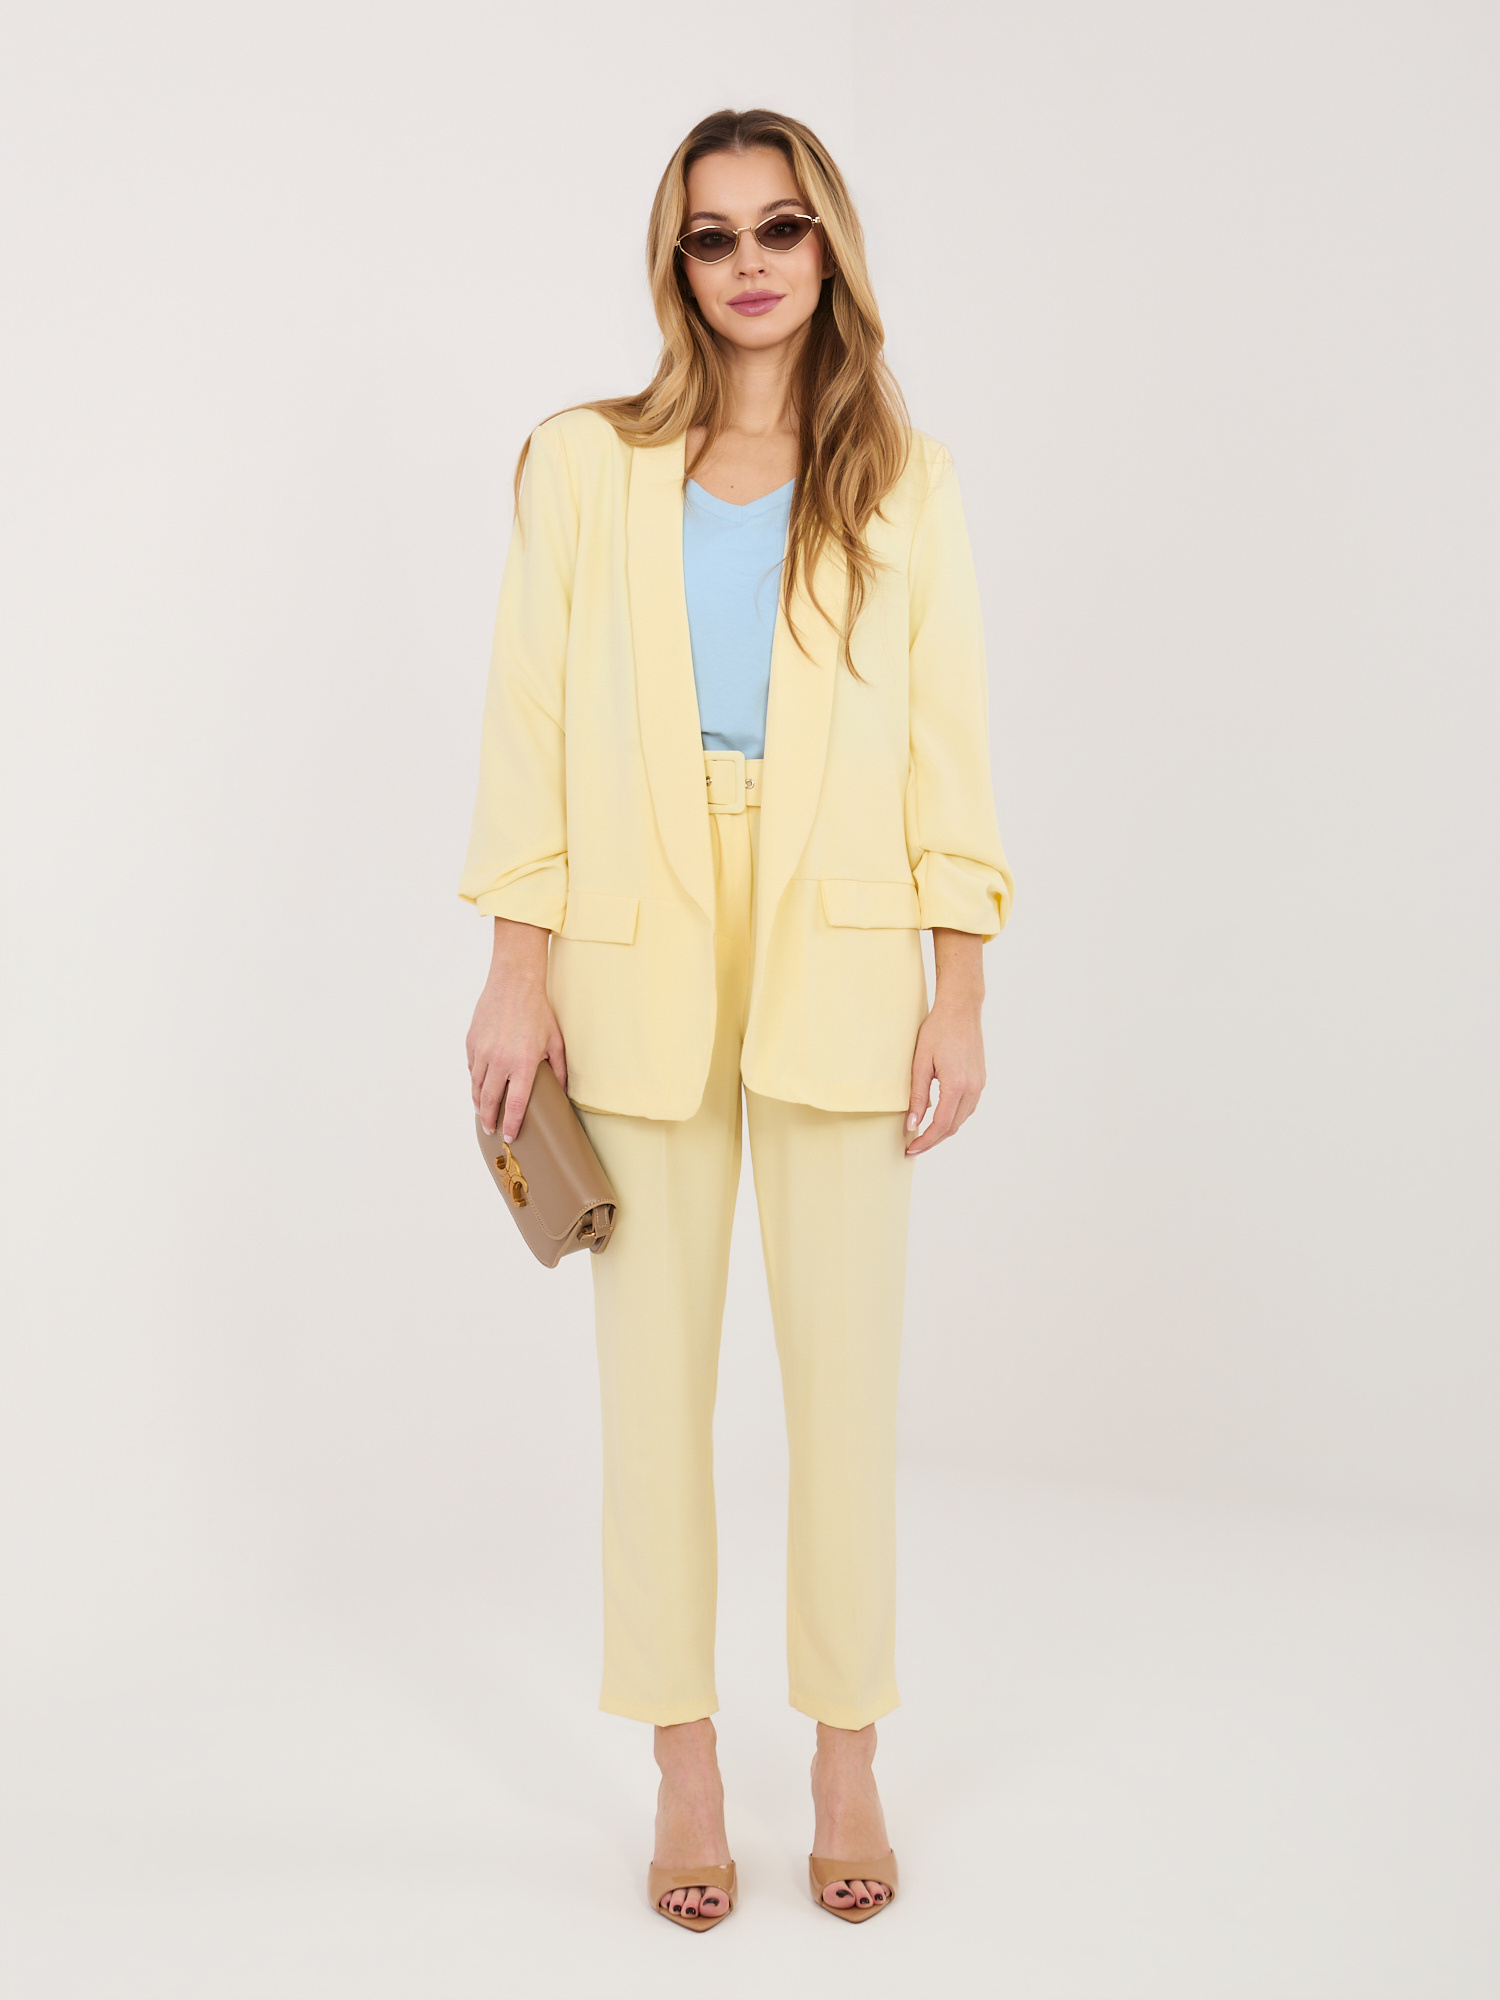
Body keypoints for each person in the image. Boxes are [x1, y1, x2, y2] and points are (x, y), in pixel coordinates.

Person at [460, 106, 1013, 1931]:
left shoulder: (906, 483)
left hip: (840, 943)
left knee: (846, 1389)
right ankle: (683, 1760)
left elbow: (948, 749)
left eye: (782, 227)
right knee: (654, 1395)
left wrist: (960, 989)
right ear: (676, 263)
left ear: (827, 247)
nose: (751, 261)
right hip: (634, 943)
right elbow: (530, 721)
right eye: (715, 235)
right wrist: (516, 966)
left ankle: (847, 1750)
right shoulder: (583, 464)